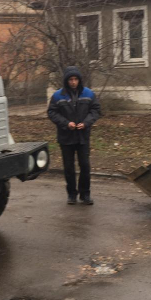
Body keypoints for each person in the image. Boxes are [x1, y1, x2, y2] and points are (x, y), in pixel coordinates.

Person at [47, 66, 102, 205]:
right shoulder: (58, 95)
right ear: (66, 81)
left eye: (75, 79)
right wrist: (66, 123)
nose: (73, 82)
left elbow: (95, 110)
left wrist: (86, 123)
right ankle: (71, 194)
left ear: (79, 80)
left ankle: (85, 194)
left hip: (83, 136)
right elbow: (52, 113)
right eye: (70, 79)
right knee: (69, 167)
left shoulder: (88, 94)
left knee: (85, 165)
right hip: (66, 137)